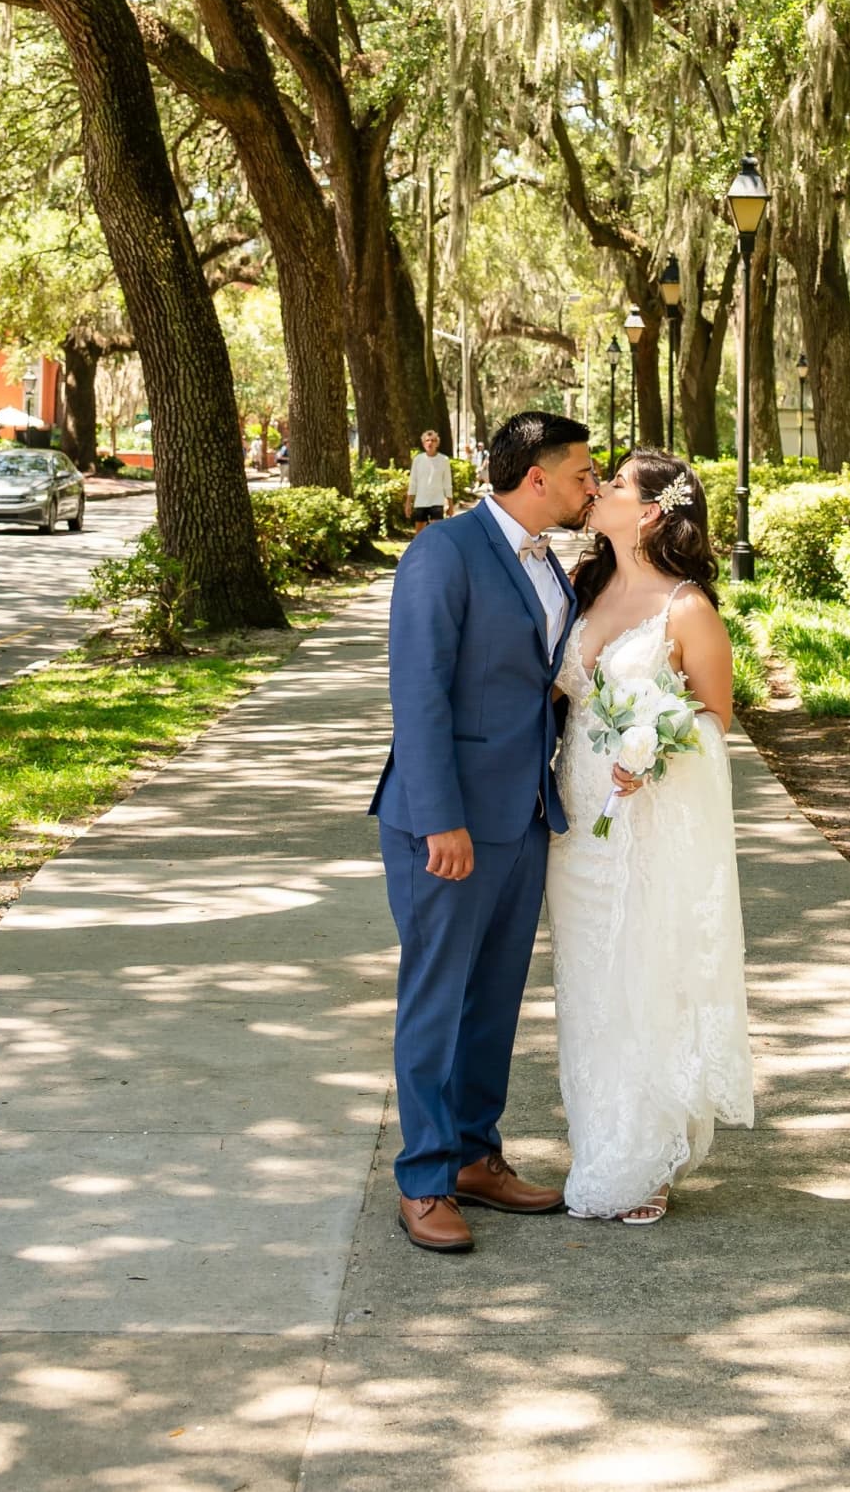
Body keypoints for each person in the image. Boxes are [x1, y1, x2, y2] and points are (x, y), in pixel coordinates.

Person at [370, 410, 599, 1255]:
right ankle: (425, 1178)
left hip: (527, 815)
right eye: (581, 472)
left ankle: (474, 1151)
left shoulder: (550, 561)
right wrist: (441, 817)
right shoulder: (445, 552)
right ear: (536, 477)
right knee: (437, 998)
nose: (591, 486)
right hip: (450, 822)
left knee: (494, 1000)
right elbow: (419, 691)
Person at [547, 449, 754, 1225]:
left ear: (651, 513)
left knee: (645, 975)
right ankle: (599, 1139)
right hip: (578, 826)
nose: (597, 488)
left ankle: (645, 1154)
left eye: (618, 485)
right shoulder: (582, 585)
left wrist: (655, 748)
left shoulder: (687, 607)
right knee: (589, 984)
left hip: (648, 818)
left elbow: (714, 718)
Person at [407, 427, 455, 533]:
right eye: (427, 440)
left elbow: (447, 484)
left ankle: (435, 550)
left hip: (437, 502)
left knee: (436, 533)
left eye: (433, 440)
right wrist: (408, 503)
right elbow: (413, 482)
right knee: (419, 535)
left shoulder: (444, 460)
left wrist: (450, 506)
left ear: (437, 443)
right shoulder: (418, 460)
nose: (430, 443)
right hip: (420, 502)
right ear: (423, 443)